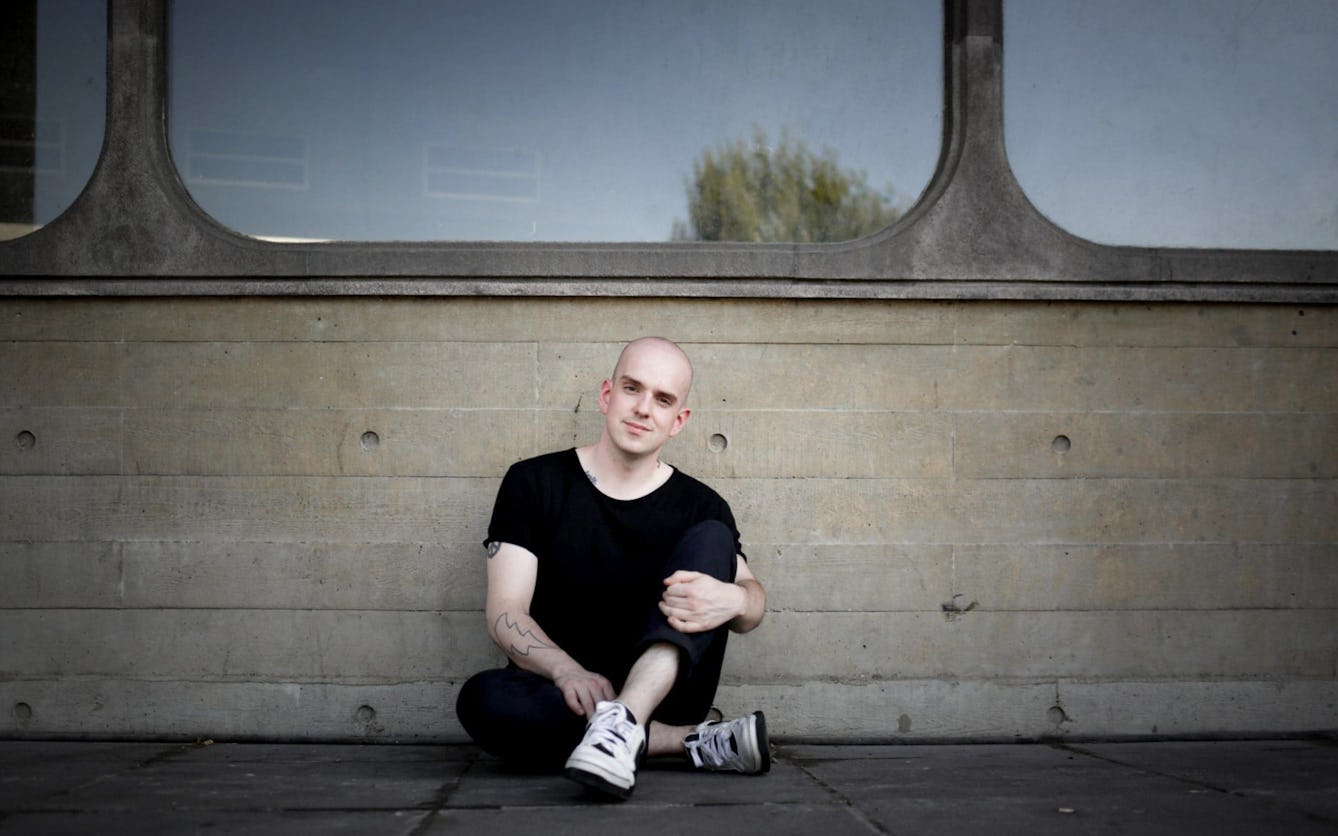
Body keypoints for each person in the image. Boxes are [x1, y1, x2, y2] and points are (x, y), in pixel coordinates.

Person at [455, 336, 769, 800]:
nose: (644, 408)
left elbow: (753, 602)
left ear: (678, 421)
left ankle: (628, 719)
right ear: (607, 395)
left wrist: (738, 599)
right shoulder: (534, 483)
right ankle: (684, 741)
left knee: (713, 538)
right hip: (570, 695)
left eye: (662, 400)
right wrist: (565, 672)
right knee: (482, 702)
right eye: (632, 389)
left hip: (670, 690)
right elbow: (505, 611)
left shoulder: (703, 506)